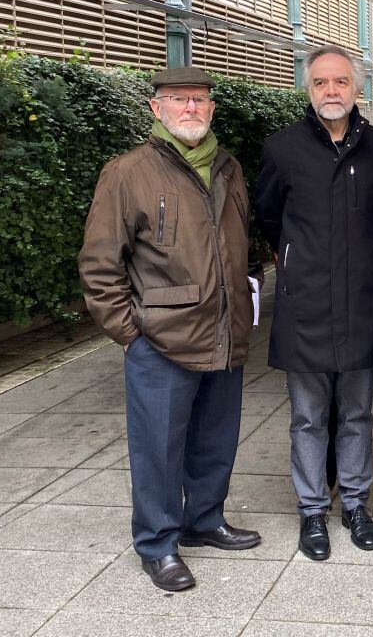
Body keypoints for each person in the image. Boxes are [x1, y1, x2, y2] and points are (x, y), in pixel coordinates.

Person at [78, 67, 263, 592]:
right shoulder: (127, 172)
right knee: (157, 448)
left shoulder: (228, 167)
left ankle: (204, 521)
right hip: (158, 339)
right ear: (156, 109)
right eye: (179, 100)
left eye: (200, 101)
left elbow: (241, 242)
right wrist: (130, 332)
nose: (191, 109)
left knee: (215, 438)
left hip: (223, 329)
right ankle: (157, 544)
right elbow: (99, 264)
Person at [254, 45, 373, 560]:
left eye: (341, 82)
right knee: (308, 417)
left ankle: (356, 504)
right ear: (308, 90)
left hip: (361, 304)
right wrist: (295, 263)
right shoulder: (282, 148)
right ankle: (312, 510)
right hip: (306, 306)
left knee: (358, 413)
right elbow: (269, 217)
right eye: (321, 83)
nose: (331, 91)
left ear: (357, 89)